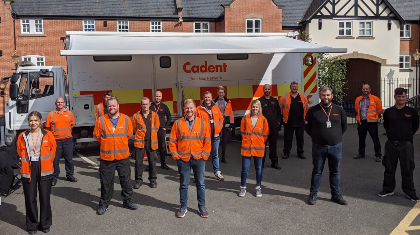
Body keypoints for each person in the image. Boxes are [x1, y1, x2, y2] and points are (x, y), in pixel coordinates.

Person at [93, 97, 138, 215]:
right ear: (107, 107)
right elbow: (97, 137)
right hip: (107, 158)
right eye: (109, 106)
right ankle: (104, 204)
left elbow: (129, 135)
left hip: (123, 157)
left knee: (126, 180)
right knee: (106, 182)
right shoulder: (101, 120)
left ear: (118, 106)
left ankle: (127, 201)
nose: (111, 108)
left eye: (114, 105)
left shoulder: (126, 119)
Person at [305, 86, 348, 206]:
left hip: (335, 147)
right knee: (317, 171)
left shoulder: (339, 110)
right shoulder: (313, 111)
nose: (326, 97)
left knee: (335, 171)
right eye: (323, 95)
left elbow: (344, 127)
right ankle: (313, 193)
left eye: (328, 95)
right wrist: (317, 137)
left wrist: (335, 137)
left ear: (332, 96)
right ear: (320, 96)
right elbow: (307, 127)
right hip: (319, 147)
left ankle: (336, 195)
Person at [169, 99, 211, 218]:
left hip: (199, 158)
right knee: (184, 184)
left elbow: (207, 140)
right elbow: (172, 141)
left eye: (191, 107)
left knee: (201, 184)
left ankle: (202, 207)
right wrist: (175, 155)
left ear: (194, 108)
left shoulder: (202, 123)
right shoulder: (177, 123)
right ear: (184, 109)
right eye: (187, 108)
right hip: (183, 159)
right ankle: (183, 207)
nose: (189, 110)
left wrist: (205, 155)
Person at [17, 111, 56, 234]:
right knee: (30, 198)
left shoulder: (48, 134)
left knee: (45, 198)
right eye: (31, 120)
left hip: (44, 168)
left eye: (36, 120)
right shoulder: (22, 136)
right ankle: (32, 225)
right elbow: (19, 151)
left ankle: (45, 224)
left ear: (41, 121)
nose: (33, 123)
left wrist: (47, 162)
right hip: (28, 168)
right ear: (28, 122)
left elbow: (53, 150)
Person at [378, 88, 419, 202]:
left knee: (407, 169)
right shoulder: (389, 112)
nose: (401, 99)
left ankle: (410, 192)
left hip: (406, 145)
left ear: (406, 97)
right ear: (395, 97)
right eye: (399, 96)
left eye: (403, 97)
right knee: (389, 168)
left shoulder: (412, 112)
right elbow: (386, 125)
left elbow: (415, 126)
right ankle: (388, 189)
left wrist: (406, 137)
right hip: (391, 144)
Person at [239, 100, 269, 197]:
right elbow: (242, 132)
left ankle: (258, 188)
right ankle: (243, 187)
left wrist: (258, 142)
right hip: (246, 147)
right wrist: (248, 140)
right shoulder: (245, 118)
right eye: (253, 107)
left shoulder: (263, 119)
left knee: (259, 169)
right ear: (251, 108)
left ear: (259, 108)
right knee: (245, 169)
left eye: (256, 107)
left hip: (258, 148)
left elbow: (265, 134)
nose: (254, 109)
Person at [45, 97, 77, 186]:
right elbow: (47, 128)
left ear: (64, 103)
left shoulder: (70, 113)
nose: (60, 104)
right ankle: (54, 177)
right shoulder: (51, 114)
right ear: (56, 104)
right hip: (56, 141)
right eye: (58, 102)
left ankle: (70, 175)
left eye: (61, 102)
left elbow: (72, 125)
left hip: (68, 140)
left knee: (69, 159)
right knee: (55, 160)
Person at [195, 91, 225, 180]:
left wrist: (219, 128)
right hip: (204, 138)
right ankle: (199, 174)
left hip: (216, 137)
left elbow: (221, 119)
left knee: (215, 154)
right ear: (203, 98)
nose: (207, 99)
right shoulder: (199, 109)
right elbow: (195, 122)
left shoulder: (215, 108)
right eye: (206, 97)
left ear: (211, 98)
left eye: (209, 97)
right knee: (201, 156)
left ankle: (217, 172)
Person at [132, 97, 160, 189]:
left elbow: (157, 127)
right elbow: (134, 129)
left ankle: (153, 180)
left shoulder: (155, 115)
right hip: (140, 142)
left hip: (151, 142)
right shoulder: (136, 116)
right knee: (138, 163)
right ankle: (138, 180)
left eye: (147, 104)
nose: (145, 106)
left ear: (150, 105)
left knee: (152, 162)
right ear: (141, 105)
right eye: (143, 104)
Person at [279, 82, 309, 159]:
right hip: (288, 122)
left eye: (295, 87)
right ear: (290, 87)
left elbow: (306, 108)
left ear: (297, 88)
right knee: (287, 139)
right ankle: (286, 152)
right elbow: (280, 107)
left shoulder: (302, 97)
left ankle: (300, 152)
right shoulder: (284, 97)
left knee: (300, 139)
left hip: (300, 122)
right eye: (293, 87)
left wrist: (306, 119)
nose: (294, 88)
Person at [354, 84, 383, 162]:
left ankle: (378, 155)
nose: (365, 90)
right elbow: (357, 109)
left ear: (370, 90)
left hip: (372, 122)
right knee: (361, 139)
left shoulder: (375, 99)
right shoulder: (358, 99)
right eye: (364, 89)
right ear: (362, 90)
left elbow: (380, 110)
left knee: (375, 139)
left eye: (367, 89)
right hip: (362, 121)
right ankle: (361, 153)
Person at [258, 84, 282, 169]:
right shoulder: (259, 101)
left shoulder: (274, 100)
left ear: (270, 90)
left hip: (273, 127)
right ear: (263, 90)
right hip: (263, 128)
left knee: (273, 146)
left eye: (268, 89)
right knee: (262, 146)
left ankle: (274, 162)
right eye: (265, 89)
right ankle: (261, 163)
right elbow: (256, 114)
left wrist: (278, 121)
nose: (267, 90)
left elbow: (279, 112)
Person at [150, 91, 172, 170]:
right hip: (152, 130)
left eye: (159, 96)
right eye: (156, 96)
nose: (158, 98)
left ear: (161, 97)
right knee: (151, 147)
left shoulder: (164, 106)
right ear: (154, 96)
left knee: (162, 147)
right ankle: (151, 165)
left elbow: (169, 117)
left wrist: (165, 127)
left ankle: (163, 163)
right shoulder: (150, 106)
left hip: (161, 129)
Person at [214, 86, 234, 164]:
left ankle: (223, 157)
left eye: (222, 92)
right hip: (217, 124)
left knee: (224, 141)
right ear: (217, 93)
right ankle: (216, 156)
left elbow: (231, 114)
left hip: (225, 124)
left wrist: (231, 124)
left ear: (224, 93)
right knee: (216, 141)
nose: (221, 94)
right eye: (219, 92)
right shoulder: (214, 102)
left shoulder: (228, 101)